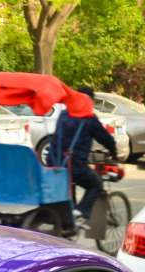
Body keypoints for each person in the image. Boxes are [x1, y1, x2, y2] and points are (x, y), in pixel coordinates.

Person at [51, 86, 118, 225]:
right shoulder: (89, 118)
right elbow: (105, 138)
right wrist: (114, 151)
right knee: (96, 185)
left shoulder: (63, 114)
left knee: (71, 180)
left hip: (54, 163)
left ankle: (70, 216)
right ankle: (80, 211)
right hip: (75, 166)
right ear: (90, 102)